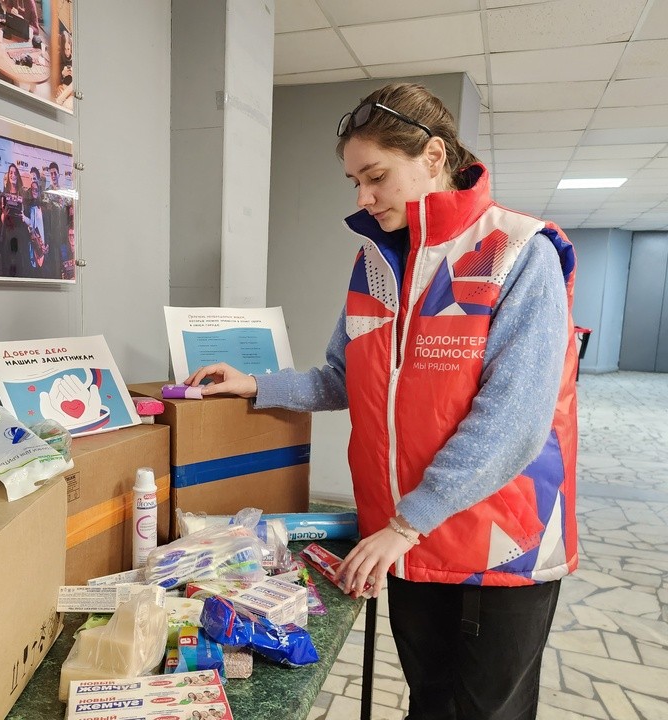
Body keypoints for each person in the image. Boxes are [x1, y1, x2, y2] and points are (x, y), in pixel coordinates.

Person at [185, 82, 579, 720]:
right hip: (408, 541)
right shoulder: (375, 265)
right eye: (354, 182)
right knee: (428, 702)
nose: (364, 198)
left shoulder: (519, 252)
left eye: (376, 177)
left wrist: (405, 523)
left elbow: (514, 421)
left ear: (432, 156)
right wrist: (258, 385)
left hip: (497, 545)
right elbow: (345, 377)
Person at [0, 162, 30, 276]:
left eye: (15, 173)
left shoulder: (23, 194)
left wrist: (24, 215)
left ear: (17, 175)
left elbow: (28, 217)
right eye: (10, 173)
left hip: (21, 233)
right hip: (9, 233)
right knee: (10, 264)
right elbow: (1, 219)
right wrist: (4, 215)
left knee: (21, 263)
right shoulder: (3, 195)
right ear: (8, 175)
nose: (12, 175)